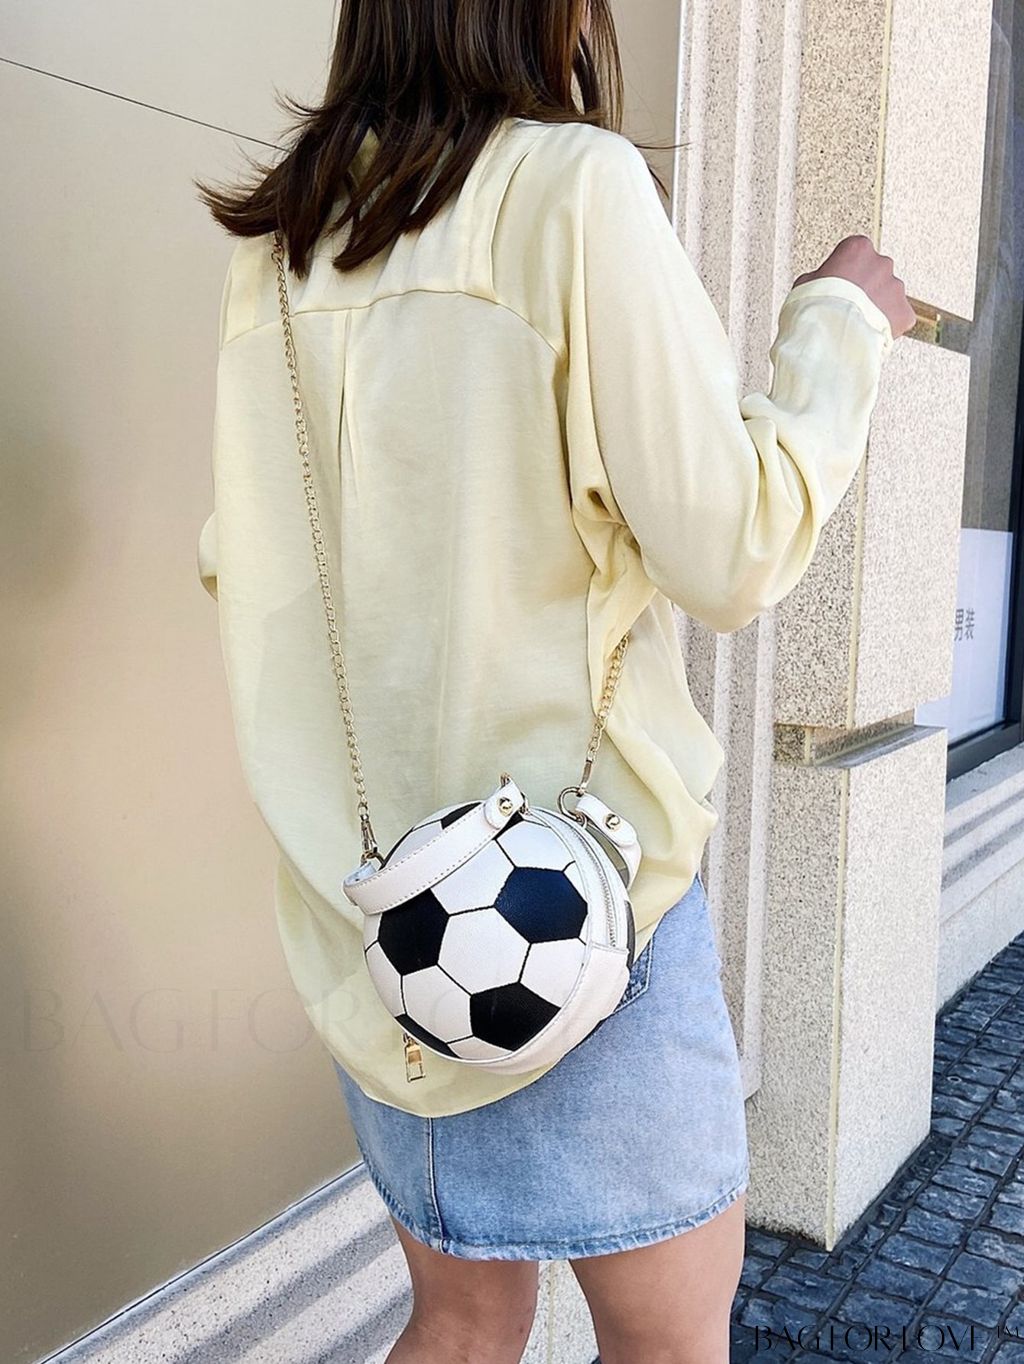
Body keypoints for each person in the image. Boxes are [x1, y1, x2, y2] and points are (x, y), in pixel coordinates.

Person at [193, 2, 915, 1360]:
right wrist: (838, 329)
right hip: (580, 907)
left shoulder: (285, 237)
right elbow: (732, 548)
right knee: (669, 1339)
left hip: (382, 912)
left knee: (463, 1319)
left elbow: (251, 557)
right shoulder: (574, 188)